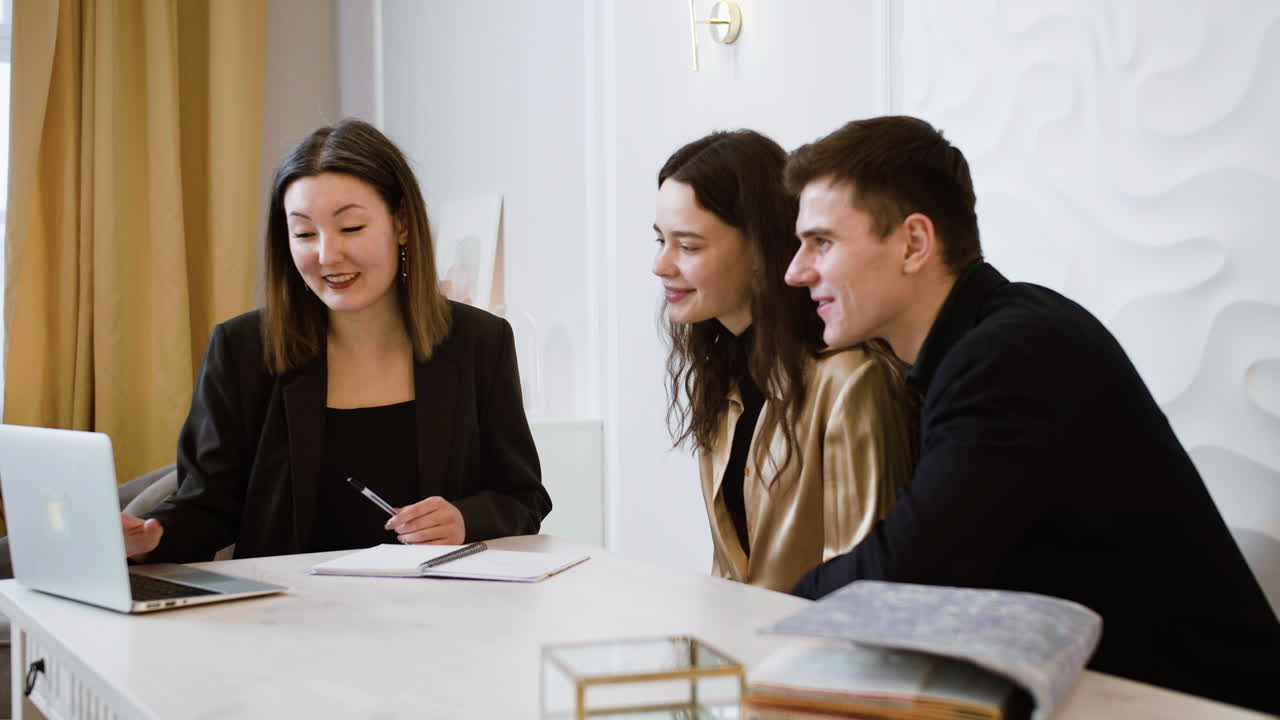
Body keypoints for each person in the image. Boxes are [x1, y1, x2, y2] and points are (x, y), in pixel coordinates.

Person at [782, 115, 1280, 713]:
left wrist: (780, 608)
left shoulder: (1005, 357)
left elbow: (903, 575)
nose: (796, 271)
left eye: (823, 242)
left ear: (914, 243)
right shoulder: (1002, 334)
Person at [122, 119, 550, 562]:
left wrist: (463, 519)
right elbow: (208, 507)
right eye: (305, 233)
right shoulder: (242, 350)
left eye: (350, 229)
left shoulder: (479, 342)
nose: (327, 256)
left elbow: (523, 497)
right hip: (287, 616)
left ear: (401, 223)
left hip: (435, 614)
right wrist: (154, 537)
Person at [653, 130, 915, 593]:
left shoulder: (850, 381)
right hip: (744, 652)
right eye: (661, 241)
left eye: (688, 246)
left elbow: (864, 587)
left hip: (820, 656)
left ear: (760, 249)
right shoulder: (719, 379)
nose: (661, 265)